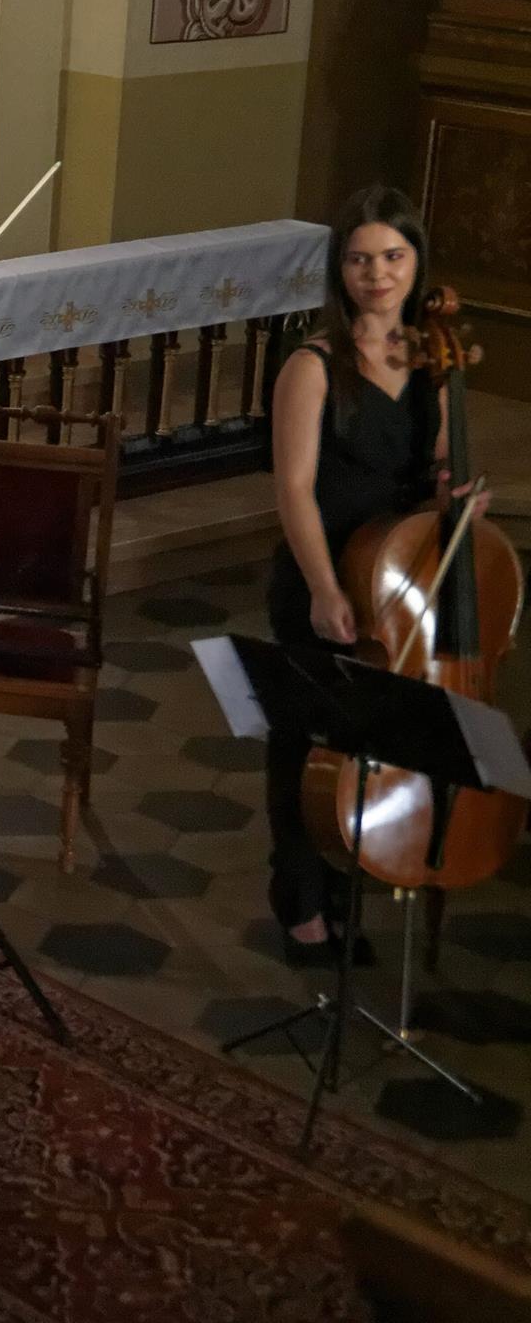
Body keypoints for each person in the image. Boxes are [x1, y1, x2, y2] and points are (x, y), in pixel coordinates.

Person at [267, 184, 474, 966]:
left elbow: (442, 468)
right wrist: (324, 589)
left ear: (416, 263)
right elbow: (293, 490)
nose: (377, 274)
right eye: (359, 260)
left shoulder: (433, 359)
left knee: (369, 742)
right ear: (340, 270)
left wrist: (459, 495)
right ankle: (300, 904)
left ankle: (348, 886)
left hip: (397, 582)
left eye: (392, 256)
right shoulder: (313, 365)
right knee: (306, 743)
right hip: (323, 570)